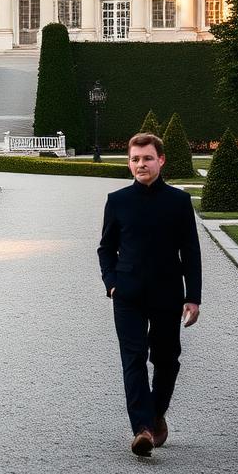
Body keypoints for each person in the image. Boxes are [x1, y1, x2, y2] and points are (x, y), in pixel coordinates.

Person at [97, 132, 202, 457]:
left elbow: (191, 252)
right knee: (133, 358)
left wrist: (193, 297)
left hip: (167, 294)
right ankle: (141, 429)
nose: (141, 164)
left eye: (147, 158)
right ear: (129, 163)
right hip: (127, 294)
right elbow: (106, 248)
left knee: (167, 360)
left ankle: (155, 415)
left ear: (161, 160)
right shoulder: (117, 201)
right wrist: (111, 283)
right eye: (135, 159)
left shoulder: (179, 202)